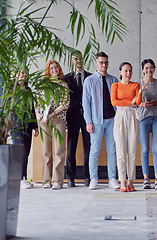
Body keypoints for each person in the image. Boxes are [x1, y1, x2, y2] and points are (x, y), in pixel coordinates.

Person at [82, 52, 120, 190]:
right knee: (94, 150)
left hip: (112, 120)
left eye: (106, 62)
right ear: (96, 63)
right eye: (101, 62)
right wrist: (88, 121)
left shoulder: (114, 79)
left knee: (112, 150)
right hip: (96, 121)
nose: (104, 65)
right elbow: (86, 103)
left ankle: (112, 178)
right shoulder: (89, 81)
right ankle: (94, 178)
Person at [111, 62, 148, 192]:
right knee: (120, 151)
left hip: (133, 115)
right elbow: (114, 101)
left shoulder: (136, 85)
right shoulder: (115, 85)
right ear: (120, 72)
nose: (128, 73)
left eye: (130, 71)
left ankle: (130, 181)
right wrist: (130, 101)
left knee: (132, 151)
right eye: (126, 71)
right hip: (120, 115)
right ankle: (122, 181)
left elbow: (138, 103)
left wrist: (139, 94)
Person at [35, 60, 70, 190]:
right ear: (48, 70)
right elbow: (36, 102)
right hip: (44, 121)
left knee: (59, 150)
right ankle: (46, 180)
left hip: (58, 120)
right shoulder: (42, 85)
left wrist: (51, 114)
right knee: (46, 151)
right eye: (51, 68)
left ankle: (57, 180)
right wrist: (38, 114)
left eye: (56, 67)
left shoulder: (63, 85)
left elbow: (65, 104)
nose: (54, 70)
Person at [137, 59, 157, 190]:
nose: (149, 70)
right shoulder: (137, 84)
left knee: (156, 149)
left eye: (151, 68)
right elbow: (134, 102)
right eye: (147, 68)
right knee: (144, 149)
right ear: (143, 69)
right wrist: (142, 104)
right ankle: (146, 179)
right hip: (143, 117)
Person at [64, 51, 92, 187]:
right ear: (72, 61)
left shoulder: (90, 77)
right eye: (75, 59)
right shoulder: (66, 78)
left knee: (88, 148)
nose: (78, 61)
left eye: (80, 59)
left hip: (87, 117)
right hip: (72, 117)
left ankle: (88, 177)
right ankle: (70, 178)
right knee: (71, 148)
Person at [11, 69, 39, 189]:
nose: (24, 75)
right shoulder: (12, 90)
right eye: (22, 72)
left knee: (26, 151)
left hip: (27, 125)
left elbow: (32, 109)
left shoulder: (28, 90)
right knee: (20, 152)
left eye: (26, 72)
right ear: (16, 74)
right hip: (16, 125)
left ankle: (23, 177)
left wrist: (35, 126)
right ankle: (19, 178)